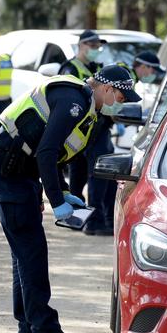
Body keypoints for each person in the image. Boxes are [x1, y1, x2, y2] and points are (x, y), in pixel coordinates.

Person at [0, 65, 140, 333]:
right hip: (9, 174)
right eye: (120, 97)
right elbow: (46, 151)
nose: (121, 104)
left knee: (25, 256)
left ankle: (28, 331)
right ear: (106, 88)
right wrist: (56, 202)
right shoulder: (73, 102)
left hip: (16, 173)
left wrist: (64, 191)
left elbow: (51, 152)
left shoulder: (83, 103)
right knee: (32, 257)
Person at [81, 51, 165, 236]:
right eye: (150, 69)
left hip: (103, 130)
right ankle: (94, 221)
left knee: (108, 179)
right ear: (142, 66)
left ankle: (107, 219)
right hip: (97, 133)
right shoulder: (121, 75)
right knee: (99, 177)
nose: (151, 74)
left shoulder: (125, 78)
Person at [59, 30, 105, 204]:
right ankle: (76, 213)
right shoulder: (70, 68)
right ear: (81, 46)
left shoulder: (97, 67)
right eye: (92, 46)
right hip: (75, 129)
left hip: (95, 129)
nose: (95, 49)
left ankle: (86, 213)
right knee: (77, 174)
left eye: (98, 47)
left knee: (89, 173)